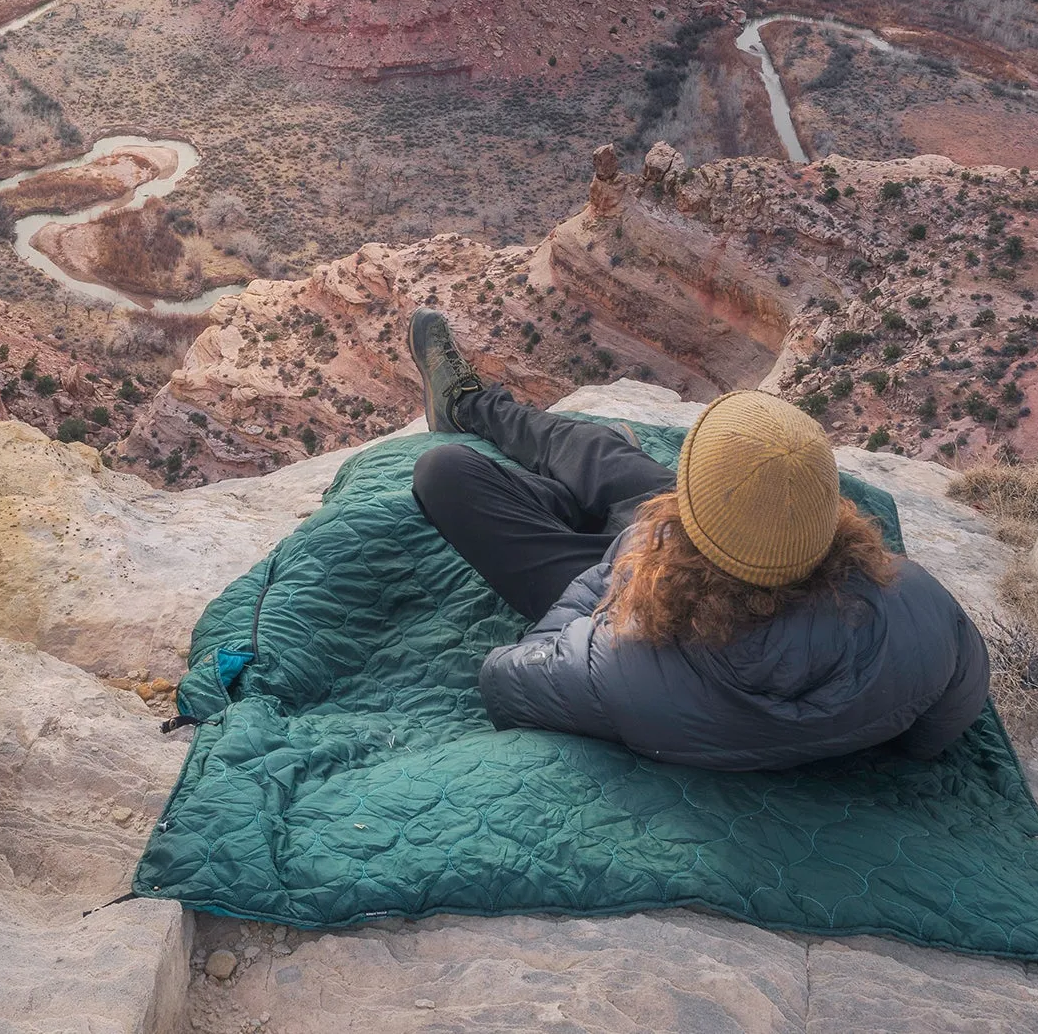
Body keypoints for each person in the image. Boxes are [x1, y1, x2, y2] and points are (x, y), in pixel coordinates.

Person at [406, 308, 990, 771]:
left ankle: (479, 416)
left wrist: (628, 568)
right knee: (596, 455)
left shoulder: (628, 662)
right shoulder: (922, 607)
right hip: (719, 549)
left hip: (644, 596)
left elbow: (504, 678)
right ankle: (471, 408)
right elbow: (945, 721)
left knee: (449, 474)